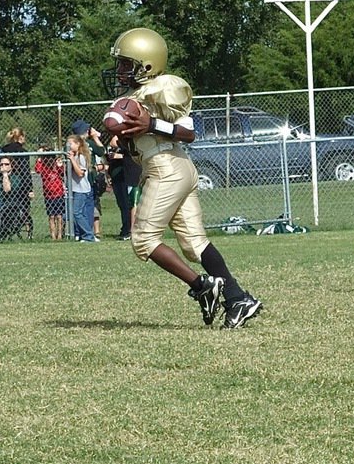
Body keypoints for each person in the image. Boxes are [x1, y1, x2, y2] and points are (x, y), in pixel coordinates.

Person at [108, 27, 263, 328]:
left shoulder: (164, 87)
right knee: (194, 244)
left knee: (143, 240)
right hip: (173, 168)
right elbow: (139, 141)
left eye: (126, 64)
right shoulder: (136, 96)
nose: (119, 71)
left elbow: (189, 132)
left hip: (167, 168)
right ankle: (237, 298)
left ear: (147, 64)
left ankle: (201, 285)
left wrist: (150, 123)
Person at [107, 131, 141, 240]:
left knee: (132, 204)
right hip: (124, 176)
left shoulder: (131, 140)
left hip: (132, 175)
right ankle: (128, 229)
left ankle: (131, 231)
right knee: (127, 204)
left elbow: (114, 143)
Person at [66, 123, 96, 242]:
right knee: (79, 213)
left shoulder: (81, 157)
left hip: (81, 189)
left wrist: (73, 159)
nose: (68, 146)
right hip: (74, 188)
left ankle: (89, 235)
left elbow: (80, 173)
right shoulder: (74, 156)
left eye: (71, 144)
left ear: (78, 144)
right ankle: (86, 235)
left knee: (77, 212)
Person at [35, 148, 66, 240]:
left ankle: (60, 235)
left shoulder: (56, 166)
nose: (49, 160)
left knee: (59, 216)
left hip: (59, 194)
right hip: (48, 195)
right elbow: (37, 170)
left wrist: (59, 164)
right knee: (51, 216)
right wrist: (39, 158)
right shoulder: (43, 166)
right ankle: (53, 235)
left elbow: (63, 172)